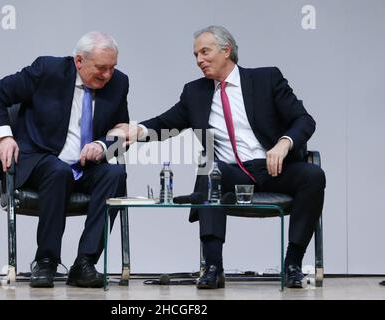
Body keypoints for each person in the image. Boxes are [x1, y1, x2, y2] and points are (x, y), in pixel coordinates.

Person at [115, 25, 325, 289]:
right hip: (231, 173)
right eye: (195, 55)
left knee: (313, 175)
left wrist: (284, 143)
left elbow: (304, 120)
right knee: (210, 169)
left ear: (226, 50)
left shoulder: (266, 79)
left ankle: (293, 264)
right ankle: (213, 267)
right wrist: (136, 130)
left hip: (275, 168)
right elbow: (165, 122)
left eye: (204, 52)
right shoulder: (195, 92)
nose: (199, 60)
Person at [0, 31, 129, 288]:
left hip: (86, 167)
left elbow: (121, 128)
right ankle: (46, 261)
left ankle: (85, 264)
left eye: (112, 68)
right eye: (101, 68)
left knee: (115, 174)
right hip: (43, 161)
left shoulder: (118, 83)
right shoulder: (47, 70)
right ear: (78, 61)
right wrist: (4, 138)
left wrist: (102, 144)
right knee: (58, 170)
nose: (108, 75)